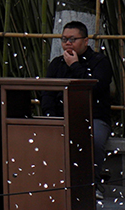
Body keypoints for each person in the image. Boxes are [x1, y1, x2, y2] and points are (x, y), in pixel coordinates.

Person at [41, 20, 112, 198]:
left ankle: (91, 183)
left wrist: (75, 65)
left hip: (93, 115)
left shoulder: (99, 62)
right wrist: (50, 115)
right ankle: (54, 182)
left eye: (73, 39)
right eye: (64, 39)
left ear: (86, 41)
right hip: (61, 114)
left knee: (93, 139)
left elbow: (95, 88)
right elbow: (47, 92)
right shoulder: (57, 63)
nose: (68, 43)